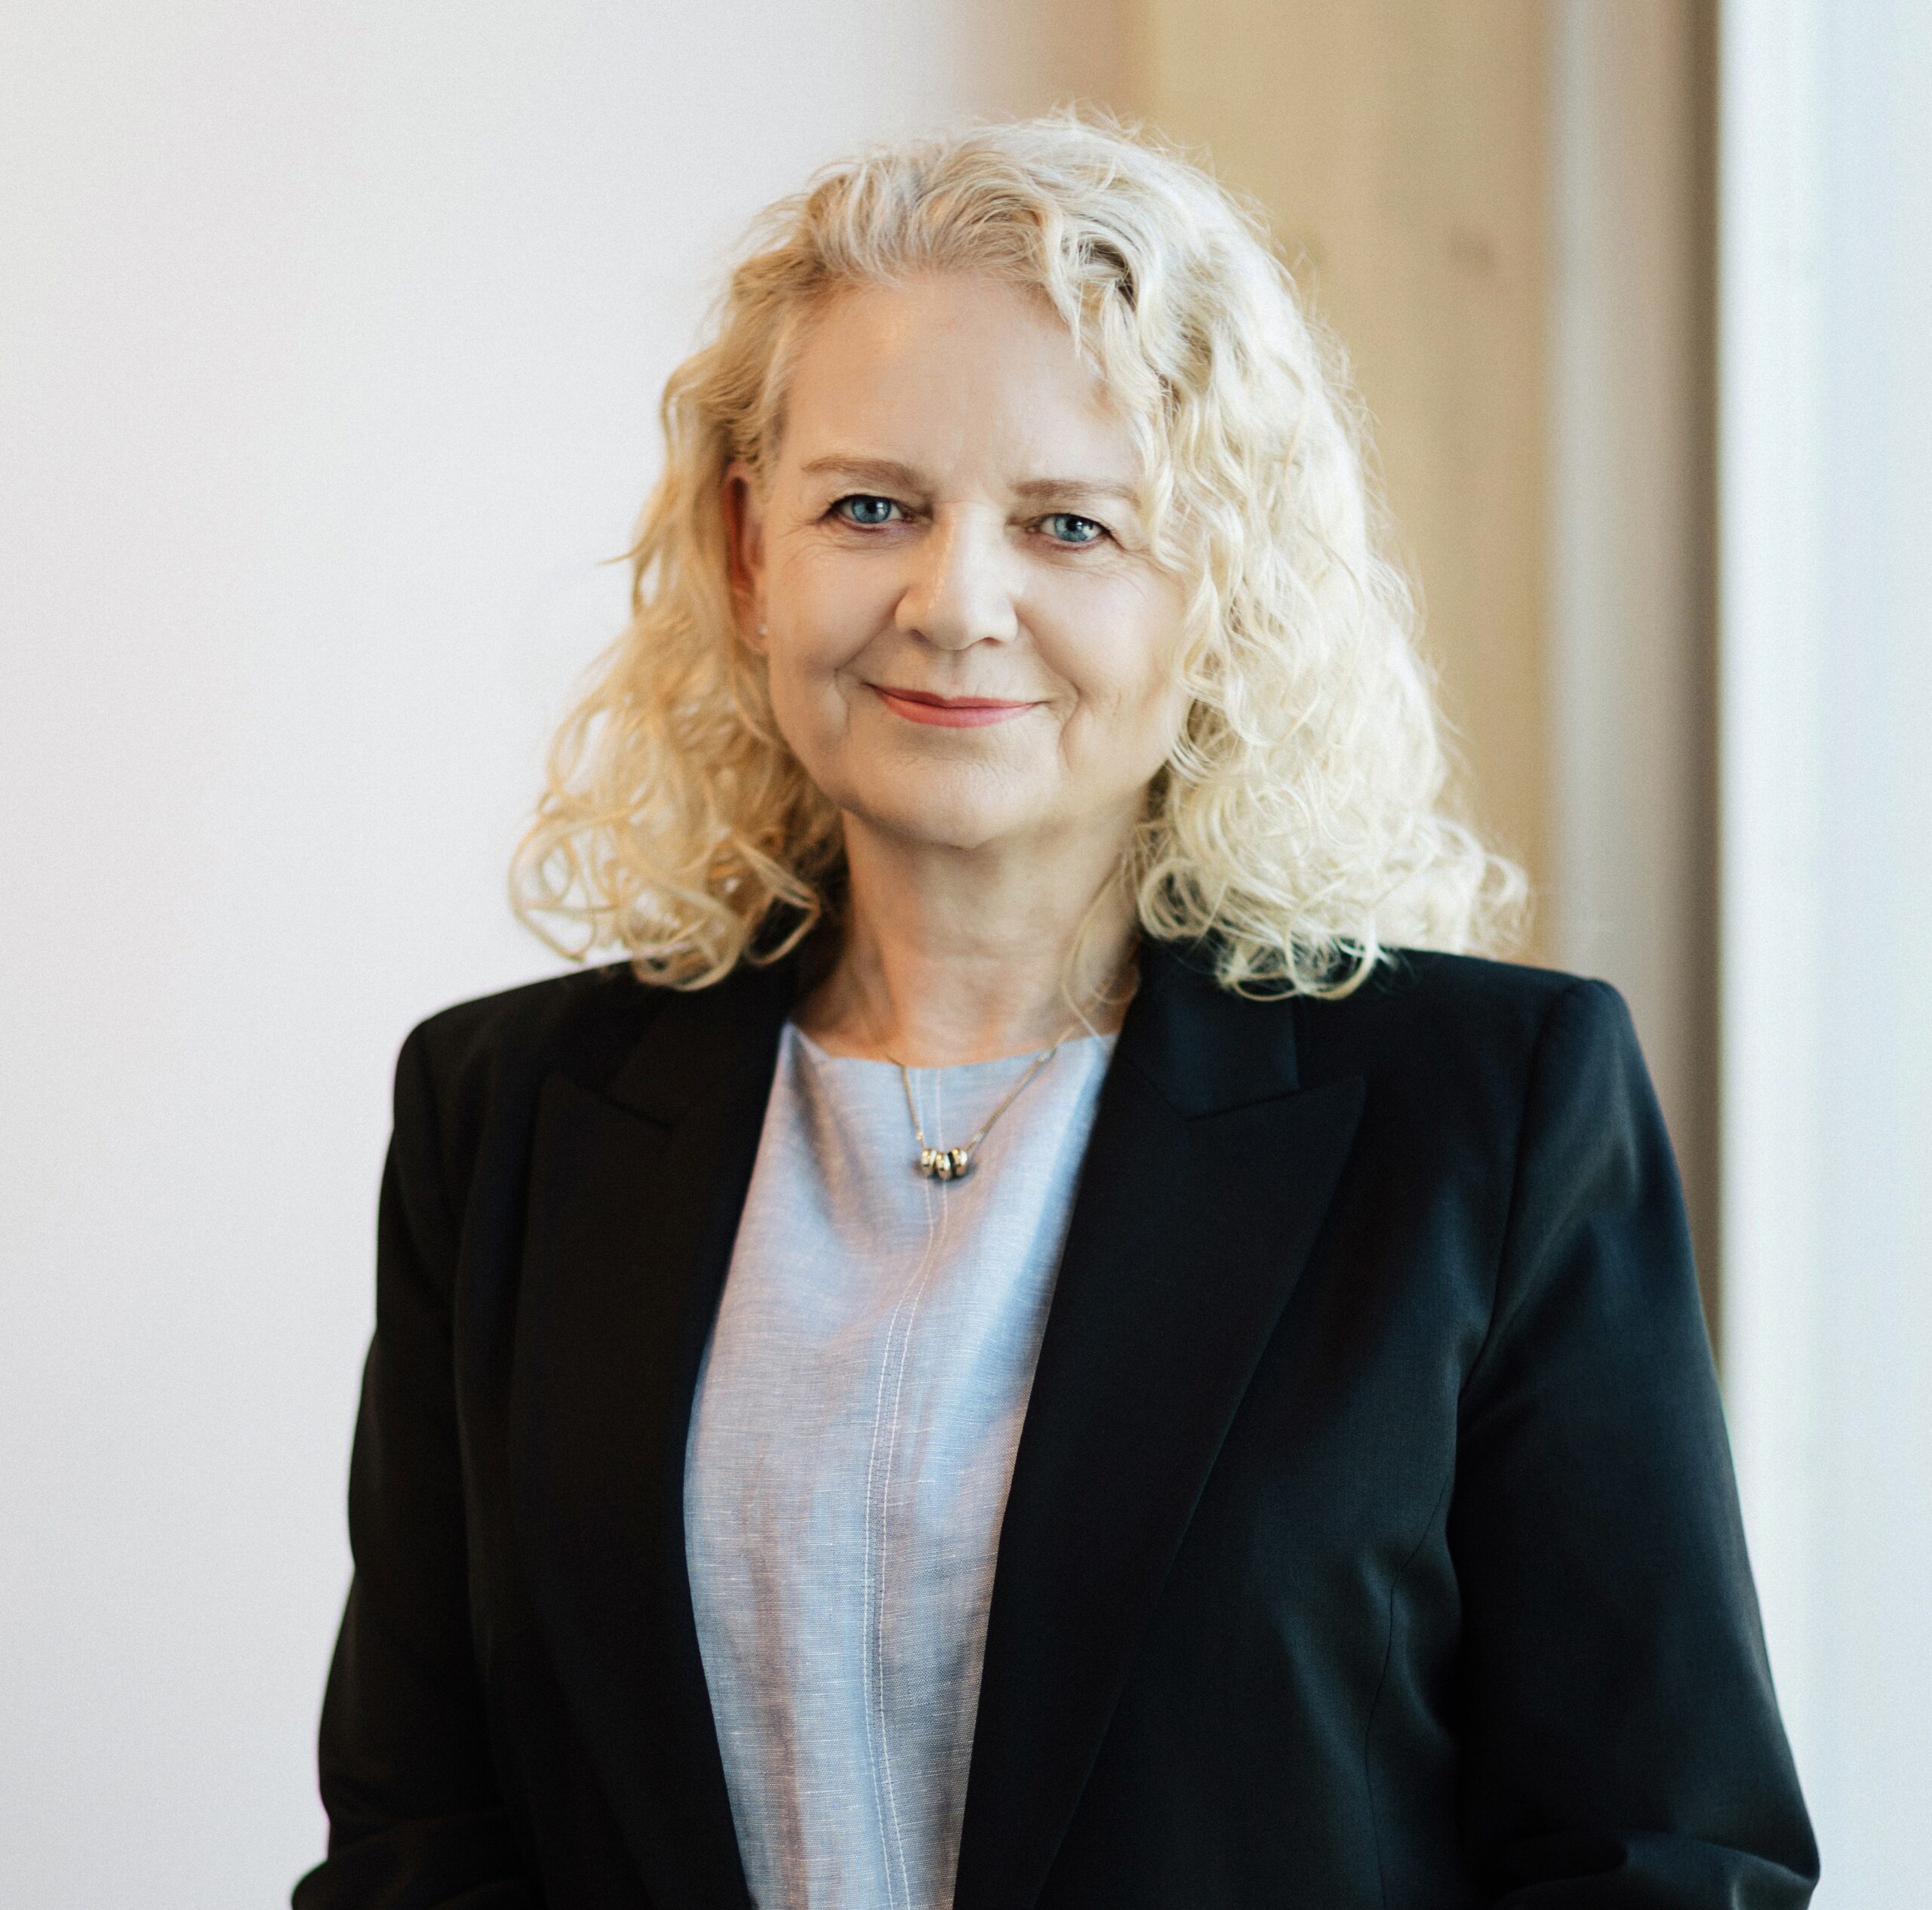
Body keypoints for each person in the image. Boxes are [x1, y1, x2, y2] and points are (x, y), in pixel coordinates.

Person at [294, 115, 1817, 1910]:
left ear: (1212, 586)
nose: (955, 604)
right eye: (870, 507)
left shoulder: (1489, 1113)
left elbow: (1663, 1855)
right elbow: (419, 1839)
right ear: (745, 549)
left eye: (1069, 524)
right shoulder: (503, 1115)